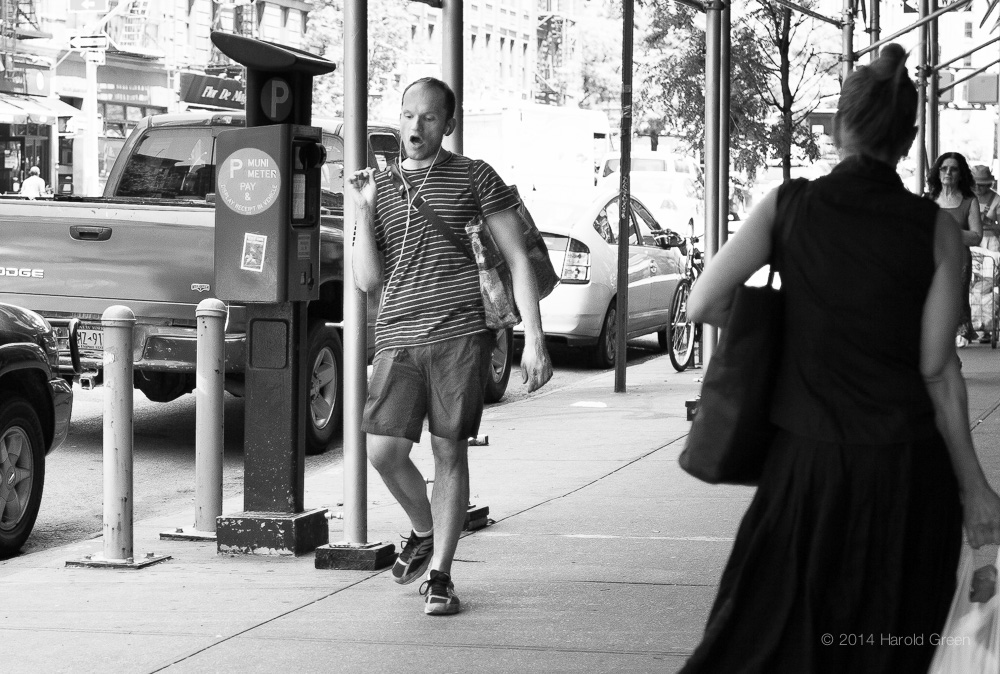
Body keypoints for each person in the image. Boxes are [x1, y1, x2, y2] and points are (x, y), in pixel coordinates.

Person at [681, 44, 1000, 672]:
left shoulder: (787, 206)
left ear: (837, 127)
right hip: (907, 476)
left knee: (766, 640)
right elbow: (939, 369)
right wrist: (976, 488)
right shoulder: (937, 231)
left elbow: (705, 302)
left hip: (808, 471)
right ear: (909, 138)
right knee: (883, 648)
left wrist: (790, 334)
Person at [347, 77, 552, 616]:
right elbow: (368, 281)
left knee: (447, 451)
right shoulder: (382, 186)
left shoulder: (473, 175)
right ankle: (422, 528)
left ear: (449, 124)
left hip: (460, 333)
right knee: (383, 451)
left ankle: (440, 573)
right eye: (408, 115)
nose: (416, 127)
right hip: (397, 336)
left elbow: (517, 258)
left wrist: (533, 337)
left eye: (429, 117)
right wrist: (364, 212)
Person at [929, 152, 982, 346]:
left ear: (961, 174)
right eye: (944, 168)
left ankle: (950, 354)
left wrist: (947, 230)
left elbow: (976, 237)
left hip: (958, 262)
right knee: (932, 307)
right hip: (931, 260)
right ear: (938, 172)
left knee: (953, 306)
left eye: (953, 169)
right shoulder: (929, 198)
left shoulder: (969, 200)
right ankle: (946, 358)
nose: (948, 172)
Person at [971, 164, 1000, 343]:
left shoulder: (997, 200)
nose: (978, 188)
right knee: (971, 283)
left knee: (988, 284)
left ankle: (988, 325)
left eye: (982, 184)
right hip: (972, 242)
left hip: (990, 243)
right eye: (975, 184)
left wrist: (990, 224)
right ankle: (972, 322)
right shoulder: (966, 198)